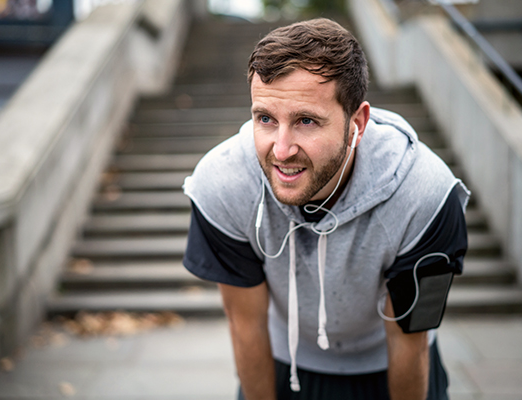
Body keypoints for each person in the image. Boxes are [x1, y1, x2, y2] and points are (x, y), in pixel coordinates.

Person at [183, 18, 469, 400]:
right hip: (285, 366)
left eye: (306, 121)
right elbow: (245, 324)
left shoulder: (429, 195)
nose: (281, 150)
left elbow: (410, 338)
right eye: (265, 118)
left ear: (358, 123)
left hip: (397, 367)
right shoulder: (222, 184)